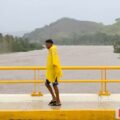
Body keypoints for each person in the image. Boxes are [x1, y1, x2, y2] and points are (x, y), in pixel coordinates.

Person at [45, 39, 62, 106]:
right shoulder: (51, 50)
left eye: (47, 44)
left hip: (54, 72)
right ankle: (54, 98)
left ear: (50, 44)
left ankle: (58, 101)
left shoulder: (53, 49)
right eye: (45, 44)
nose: (46, 46)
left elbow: (55, 60)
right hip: (50, 73)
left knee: (55, 86)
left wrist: (55, 71)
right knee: (47, 84)